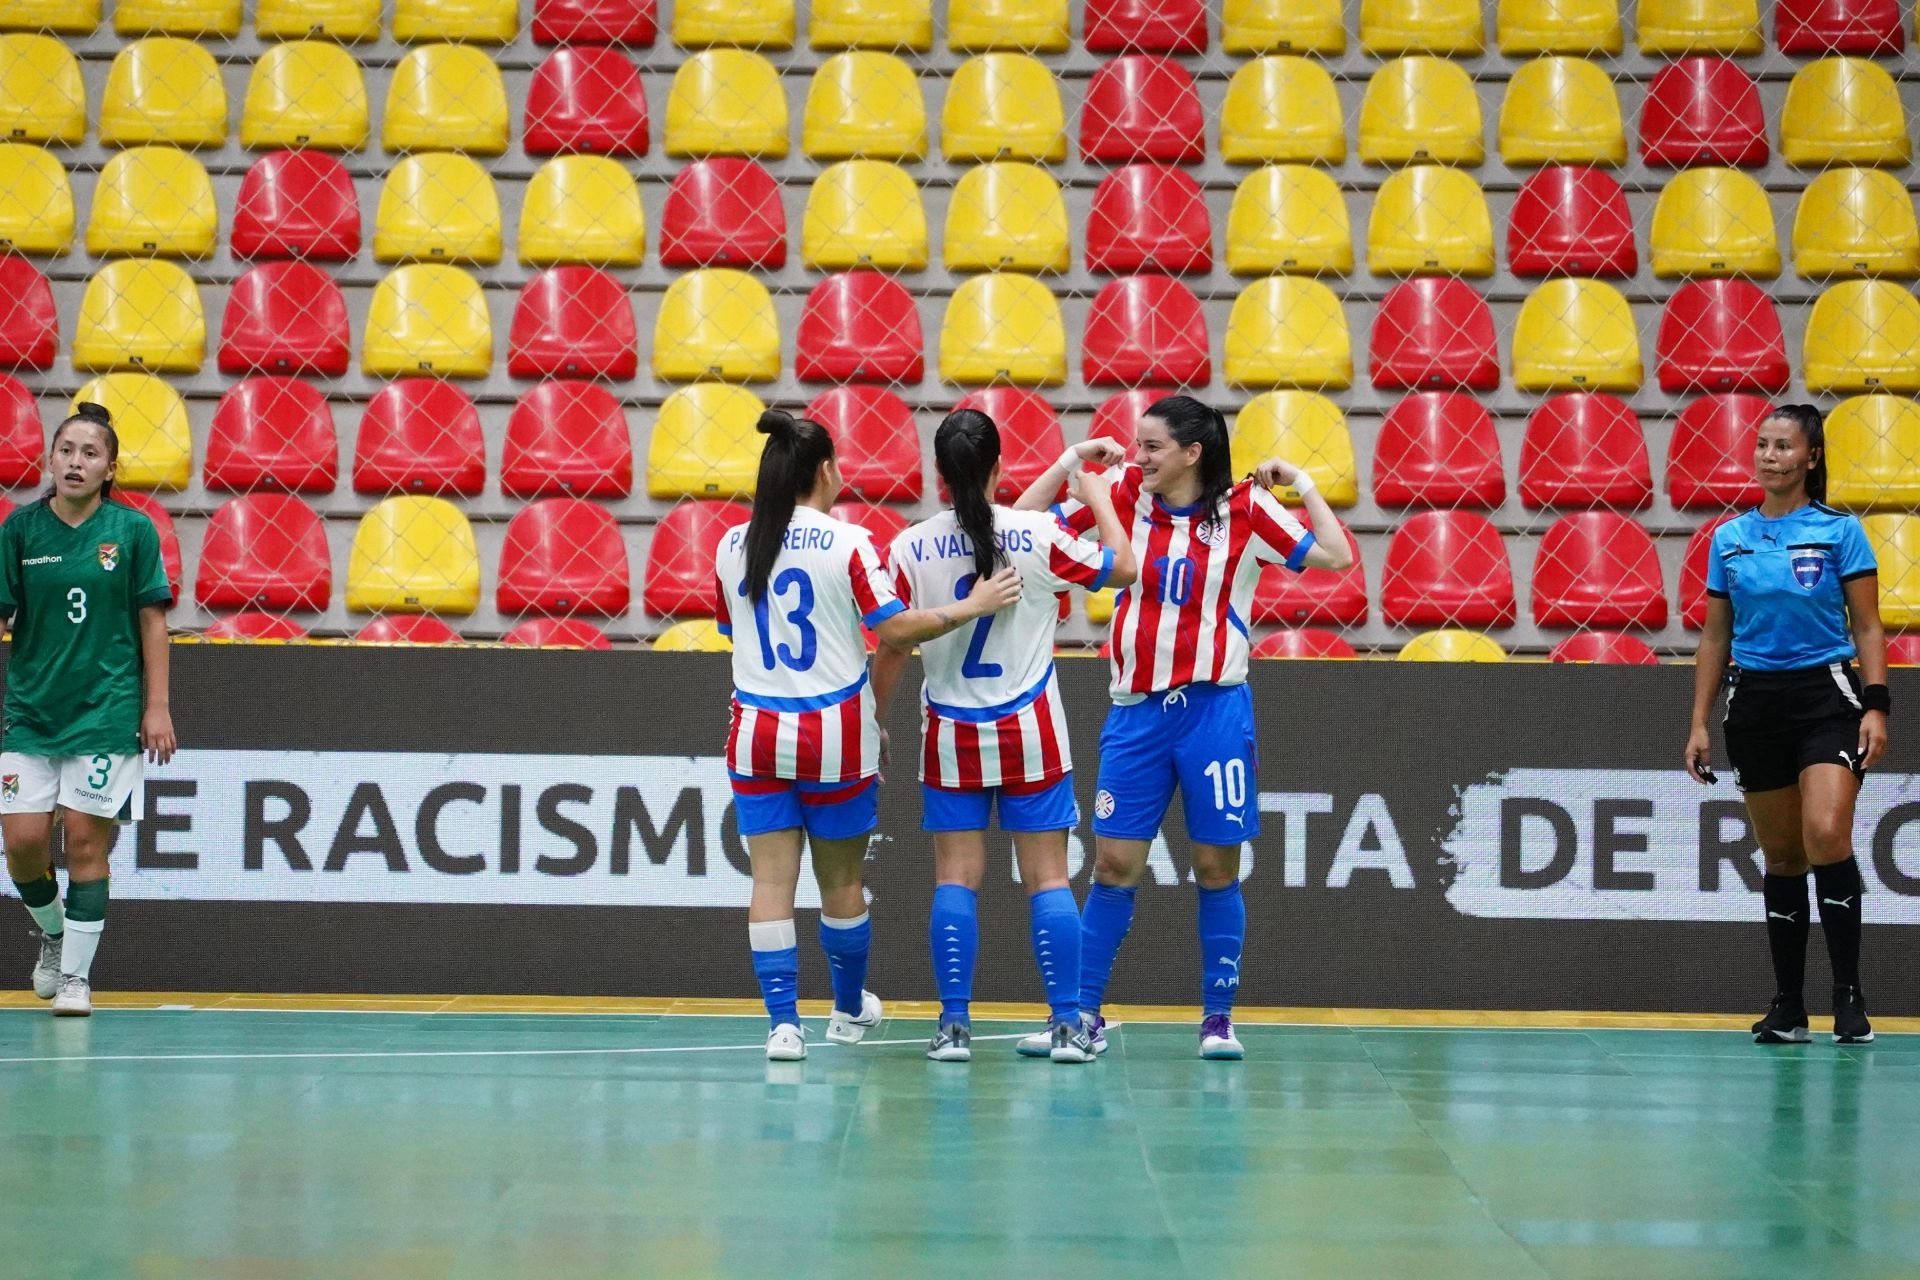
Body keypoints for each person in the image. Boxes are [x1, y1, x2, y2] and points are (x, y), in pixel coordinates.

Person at [1011, 395, 1353, 1060]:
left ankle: (1218, 1019)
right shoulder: (1116, 491)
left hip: (1214, 711)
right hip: (1136, 712)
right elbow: (1019, 527)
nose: (1136, 456)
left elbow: (1337, 556)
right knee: (1113, 864)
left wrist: (1304, 484)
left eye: (1151, 447)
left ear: (1192, 453)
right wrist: (1065, 463)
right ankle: (1082, 1019)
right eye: (1136, 445)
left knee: (1214, 865)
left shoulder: (1247, 511)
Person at [716, 409, 1022, 1062]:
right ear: (825, 470)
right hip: (833, 734)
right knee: (841, 882)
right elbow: (895, 629)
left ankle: (782, 1026)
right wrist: (972, 605)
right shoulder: (846, 543)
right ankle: (849, 1010)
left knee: (770, 882)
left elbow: (733, 634)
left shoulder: (731, 544)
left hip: (756, 732)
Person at [871, 409, 1138, 1065]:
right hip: (1031, 731)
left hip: (951, 734)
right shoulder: (1039, 534)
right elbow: (1124, 567)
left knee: (956, 878)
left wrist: (875, 718)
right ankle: (1069, 1026)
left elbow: (894, 643)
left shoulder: (908, 546)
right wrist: (1095, 490)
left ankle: (954, 1027)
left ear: (939, 473)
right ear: (998, 467)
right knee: (1047, 878)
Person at [1685, 403, 1887, 1045]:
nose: (1769, 456)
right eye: (1762, 445)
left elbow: (1868, 626)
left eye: (1783, 447)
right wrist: (1699, 724)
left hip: (1825, 696)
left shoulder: (1840, 531)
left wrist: (1876, 704)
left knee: (1826, 833)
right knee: (1781, 856)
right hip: (1755, 705)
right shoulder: (1729, 538)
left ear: (1811, 458)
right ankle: (1789, 1004)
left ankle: (1849, 998)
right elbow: (1715, 636)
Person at [3, 402, 176, 1017]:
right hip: (31, 712)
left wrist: (156, 707)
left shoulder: (132, 533)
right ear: (50, 460)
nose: (77, 461)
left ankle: (75, 979)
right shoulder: (19, 531)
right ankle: (54, 934)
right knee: (23, 845)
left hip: (106, 711)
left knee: (83, 844)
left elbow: (153, 622)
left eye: (91, 453)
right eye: (67, 450)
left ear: (110, 468)